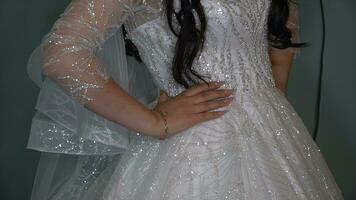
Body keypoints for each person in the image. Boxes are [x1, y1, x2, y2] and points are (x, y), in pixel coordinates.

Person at [26, 0, 344, 199]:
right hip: (196, 143)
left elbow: (280, 18)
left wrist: (270, 90)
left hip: (275, 133)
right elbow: (63, 52)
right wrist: (155, 122)